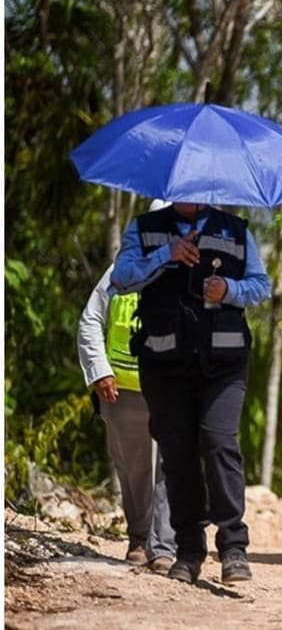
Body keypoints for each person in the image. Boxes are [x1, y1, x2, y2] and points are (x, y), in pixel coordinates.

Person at [111, 200, 271, 585]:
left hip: (224, 362)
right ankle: (188, 549)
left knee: (219, 444)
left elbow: (261, 285)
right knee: (178, 455)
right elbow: (122, 278)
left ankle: (233, 547)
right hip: (165, 362)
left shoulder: (235, 230)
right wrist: (166, 255)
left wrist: (228, 289)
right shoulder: (145, 229)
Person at [77, 200, 176, 574]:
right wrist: (99, 370)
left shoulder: (191, 272)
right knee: (134, 467)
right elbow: (91, 320)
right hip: (124, 388)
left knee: (173, 465)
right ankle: (138, 537)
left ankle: (164, 545)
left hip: (172, 386)